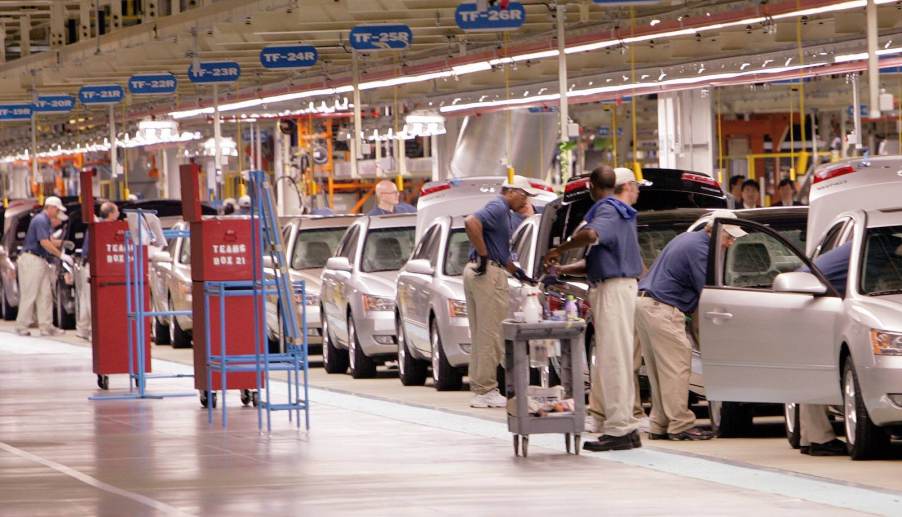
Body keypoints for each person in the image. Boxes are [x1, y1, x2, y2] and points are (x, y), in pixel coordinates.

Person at [544, 167, 646, 451]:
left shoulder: (608, 210)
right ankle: (620, 424)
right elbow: (594, 259)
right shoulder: (617, 212)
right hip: (614, 287)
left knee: (614, 360)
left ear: (592, 185)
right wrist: (562, 267)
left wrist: (559, 248)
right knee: (613, 359)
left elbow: (589, 235)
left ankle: (620, 430)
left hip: (614, 290)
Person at [636, 210, 746, 441]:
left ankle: (660, 423)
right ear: (714, 232)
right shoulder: (701, 249)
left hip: (647, 304)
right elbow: (707, 292)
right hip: (663, 308)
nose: (731, 242)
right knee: (676, 366)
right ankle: (680, 425)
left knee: (660, 371)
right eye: (729, 237)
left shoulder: (689, 239)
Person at [463, 175, 537, 408]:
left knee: (481, 333)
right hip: (487, 274)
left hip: (486, 271)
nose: (524, 203)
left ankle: (480, 386)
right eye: (523, 197)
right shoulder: (498, 206)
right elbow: (471, 222)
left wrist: (519, 274)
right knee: (491, 333)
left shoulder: (503, 212)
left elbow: (502, 255)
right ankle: (486, 390)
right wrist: (484, 255)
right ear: (512, 191)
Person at [794, 241, 852, 456]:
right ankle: (819, 440)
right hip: (809, 302)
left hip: (808, 298)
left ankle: (810, 438)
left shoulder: (863, 242)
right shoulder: (876, 248)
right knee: (816, 370)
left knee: (811, 371)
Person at [15, 197, 70, 337]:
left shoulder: (45, 221)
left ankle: (46, 326)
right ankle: (21, 326)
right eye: (57, 210)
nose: (57, 213)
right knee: (30, 293)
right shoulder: (40, 220)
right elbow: (45, 242)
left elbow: (50, 240)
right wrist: (61, 255)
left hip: (40, 260)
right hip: (31, 260)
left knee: (45, 294)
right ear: (50, 207)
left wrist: (64, 243)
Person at [75, 201, 120, 340]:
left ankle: (82, 329)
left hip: (86, 265)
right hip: (91, 266)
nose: (118, 214)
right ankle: (92, 331)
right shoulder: (102, 227)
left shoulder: (97, 225)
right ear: (111, 213)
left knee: (85, 298)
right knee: (91, 299)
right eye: (117, 211)